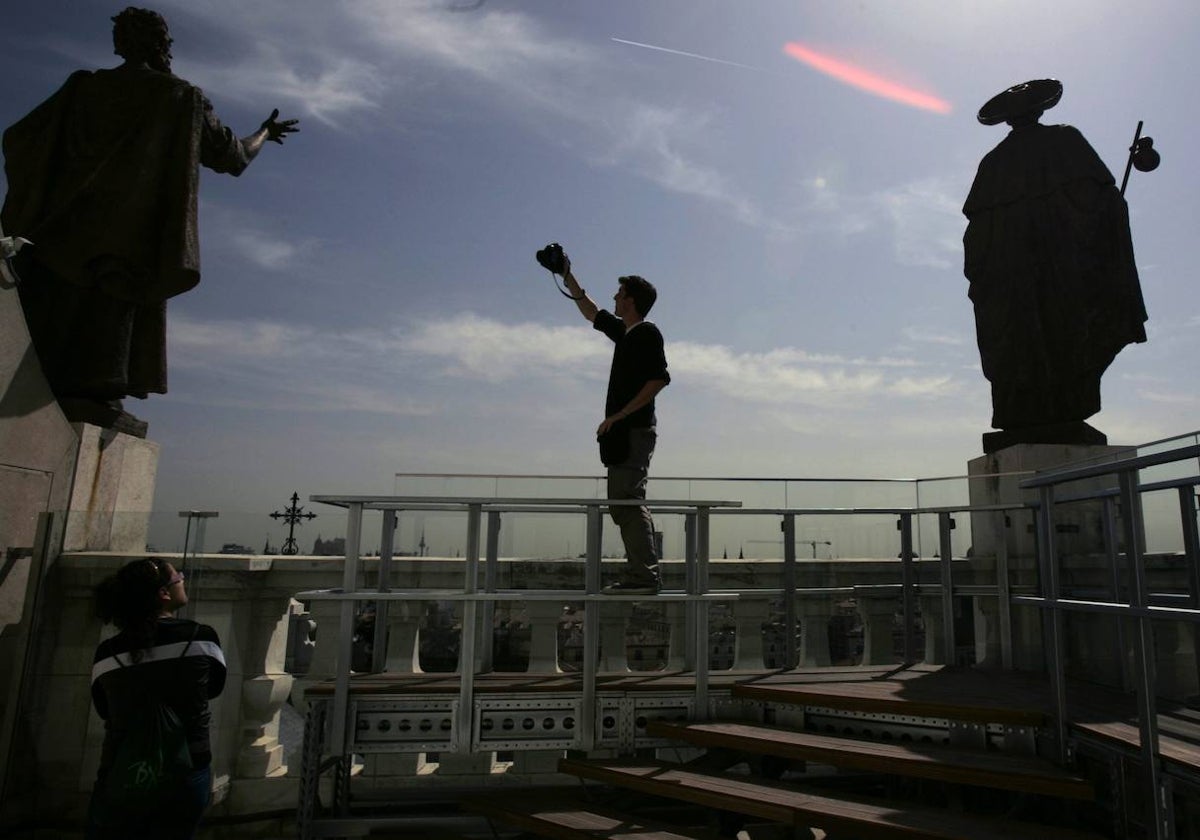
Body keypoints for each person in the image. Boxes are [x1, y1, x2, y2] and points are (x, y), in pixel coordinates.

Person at [1, 7, 299, 437]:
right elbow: (233, 156)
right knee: (103, 339)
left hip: (63, 236)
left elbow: (19, 139)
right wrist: (265, 133)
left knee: (54, 331)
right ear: (162, 47)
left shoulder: (82, 89)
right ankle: (92, 398)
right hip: (127, 244)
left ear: (120, 44)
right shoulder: (179, 97)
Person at [963, 79, 1147, 450]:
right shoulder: (1065, 141)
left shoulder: (993, 164)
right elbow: (1097, 202)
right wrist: (1109, 210)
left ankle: (1034, 409)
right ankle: (1056, 405)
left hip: (1016, 283)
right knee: (1061, 335)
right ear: (1040, 109)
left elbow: (976, 242)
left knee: (1029, 342)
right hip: (1055, 275)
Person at [88, 558, 226, 840]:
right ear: (164, 594)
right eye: (179, 578)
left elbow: (104, 709)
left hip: (124, 768)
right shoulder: (200, 639)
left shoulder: (107, 654)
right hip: (186, 763)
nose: (183, 581)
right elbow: (213, 688)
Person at [562, 253, 670, 594]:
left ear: (631, 300)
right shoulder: (627, 333)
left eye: (619, 294)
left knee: (627, 500)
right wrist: (568, 276)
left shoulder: (647, 334)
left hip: (634, 431)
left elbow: (659, 379)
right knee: (620, 502)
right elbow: (592, 312)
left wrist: (620, 415)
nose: (614, 298)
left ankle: (643, 577)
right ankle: (640, 574)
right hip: (626, 432)